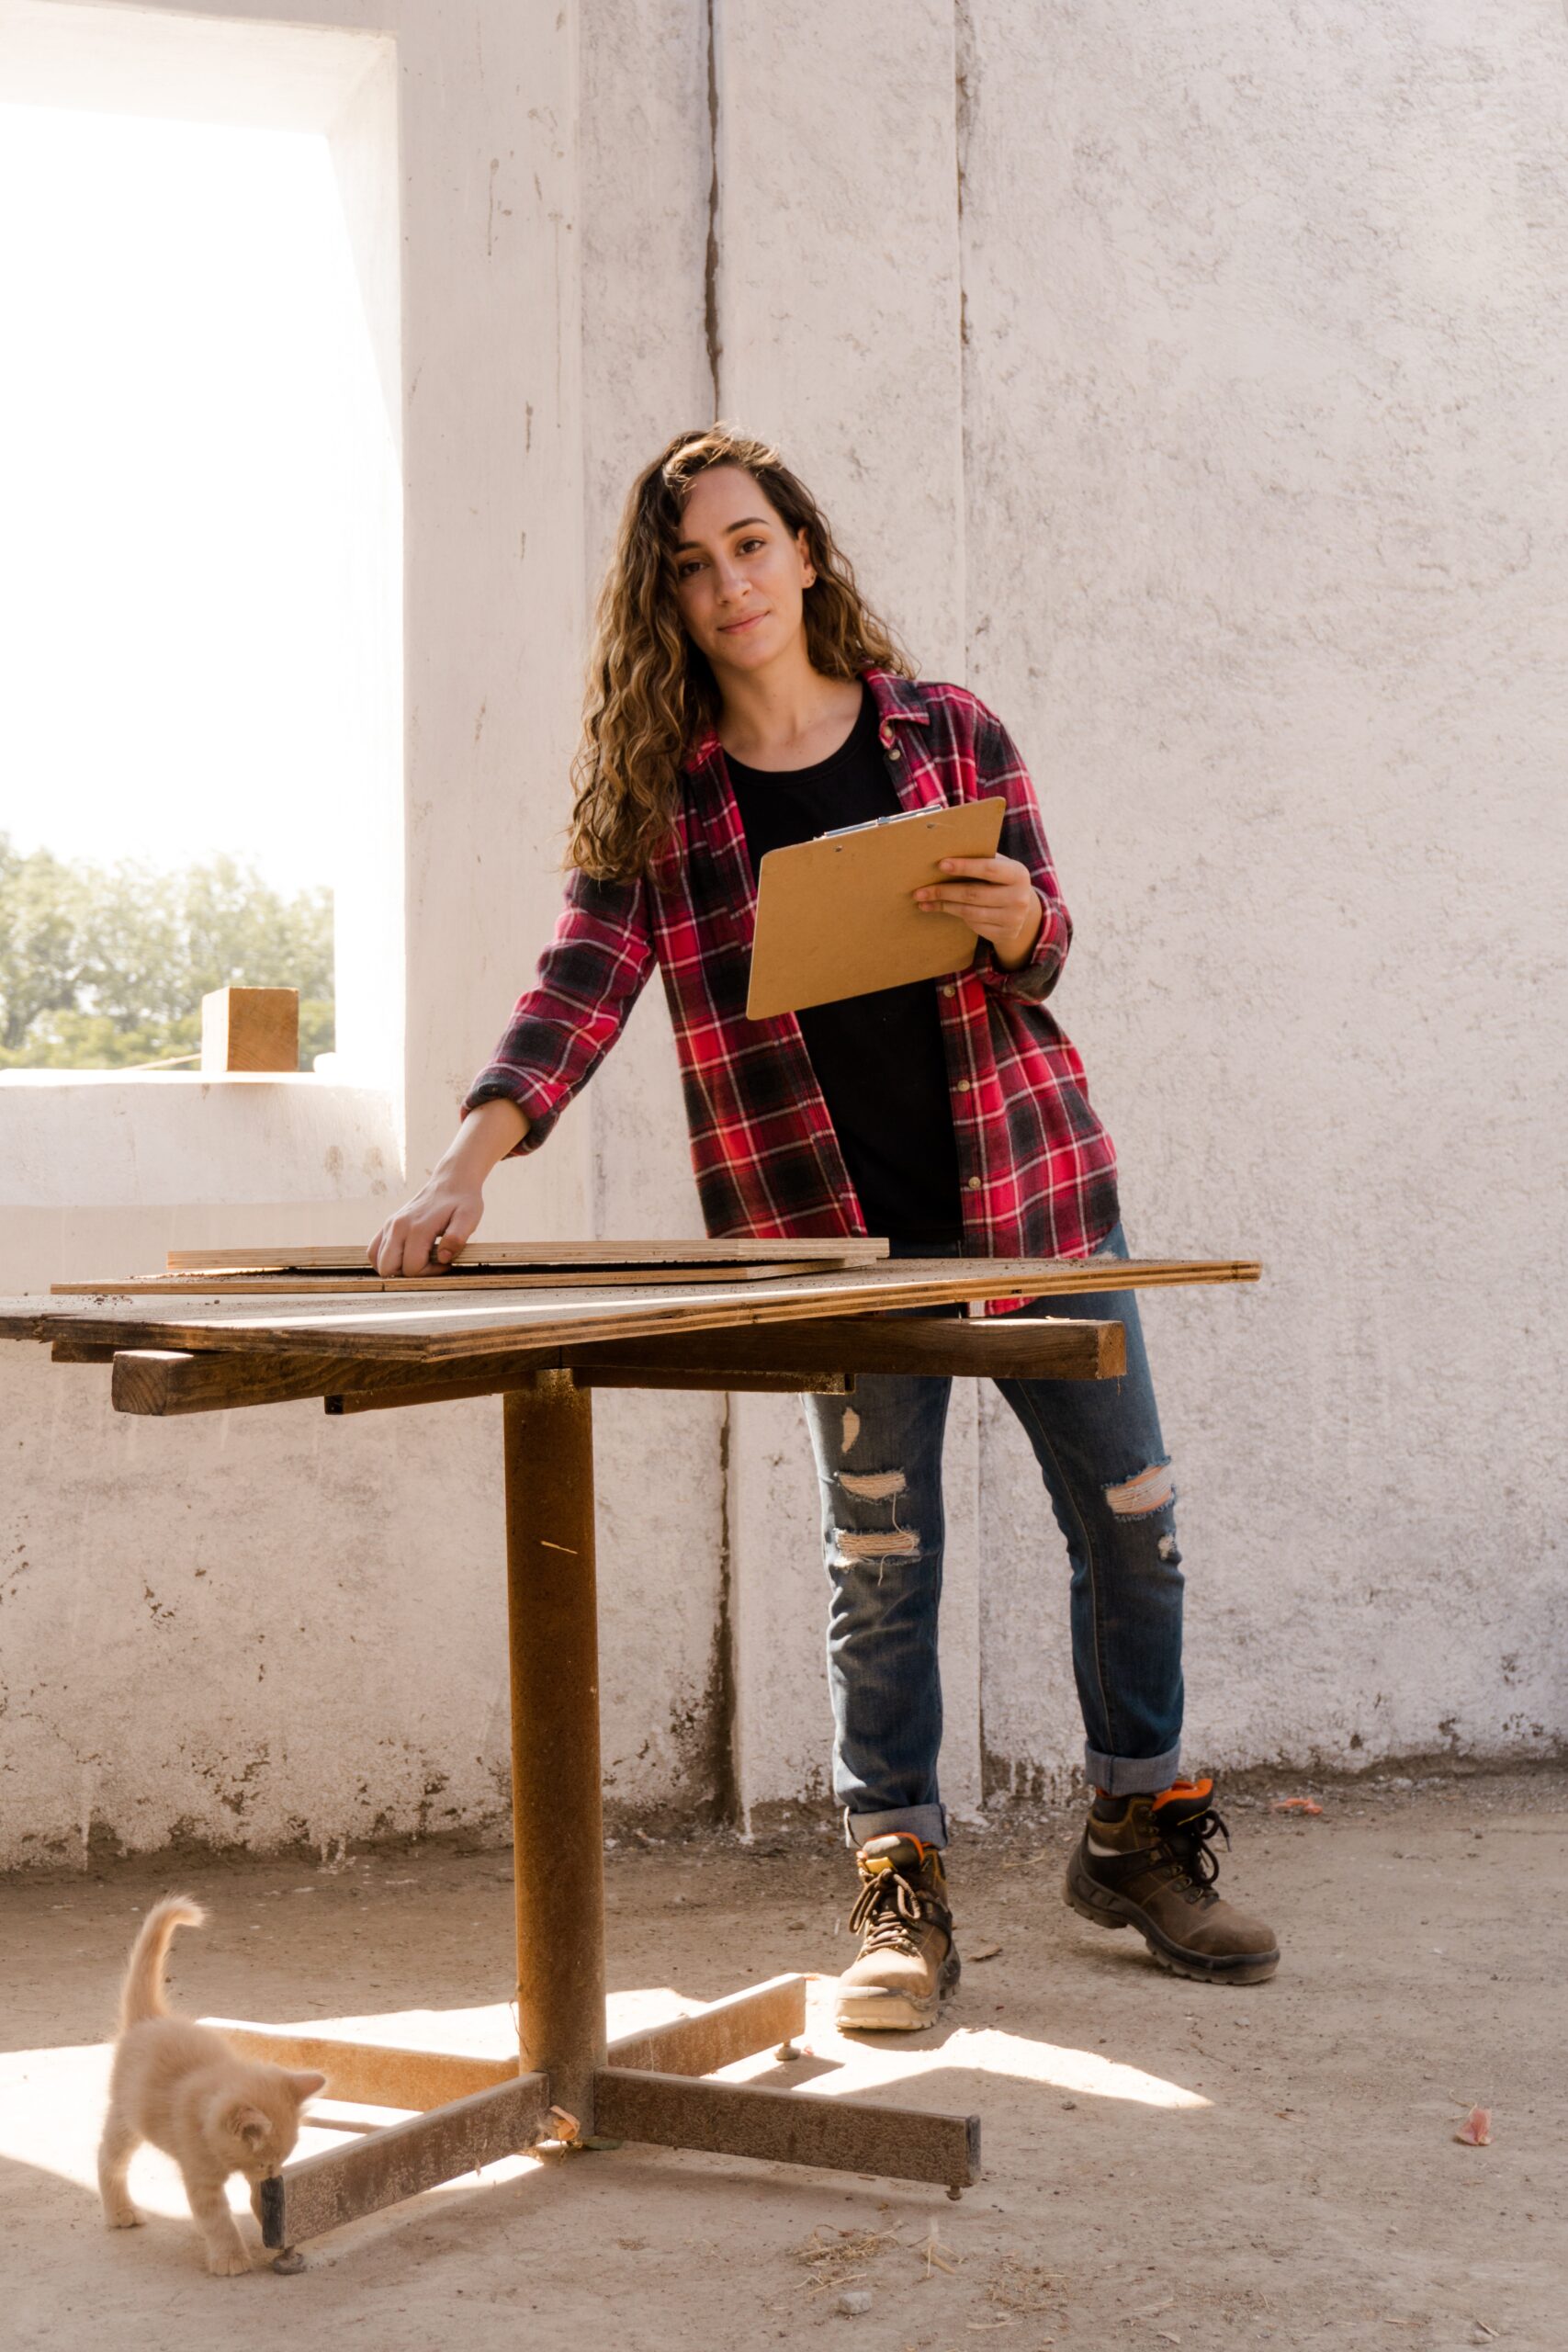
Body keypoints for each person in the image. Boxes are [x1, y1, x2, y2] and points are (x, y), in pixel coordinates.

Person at [370, 424, 1279, 2029]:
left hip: (1035, 1200)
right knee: (881, 1563)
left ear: (804, 550)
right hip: (832, 1239)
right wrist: (466, 1168)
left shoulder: (947, 729)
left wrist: (1020, 926)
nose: (728, 583)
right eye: (692, 566)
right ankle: (899, 1888)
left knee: (1133, 1520)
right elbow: (574, 991)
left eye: (749, 544)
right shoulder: (669, 805)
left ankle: (1139, 1826)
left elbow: (1046, 936)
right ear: (667, 605)